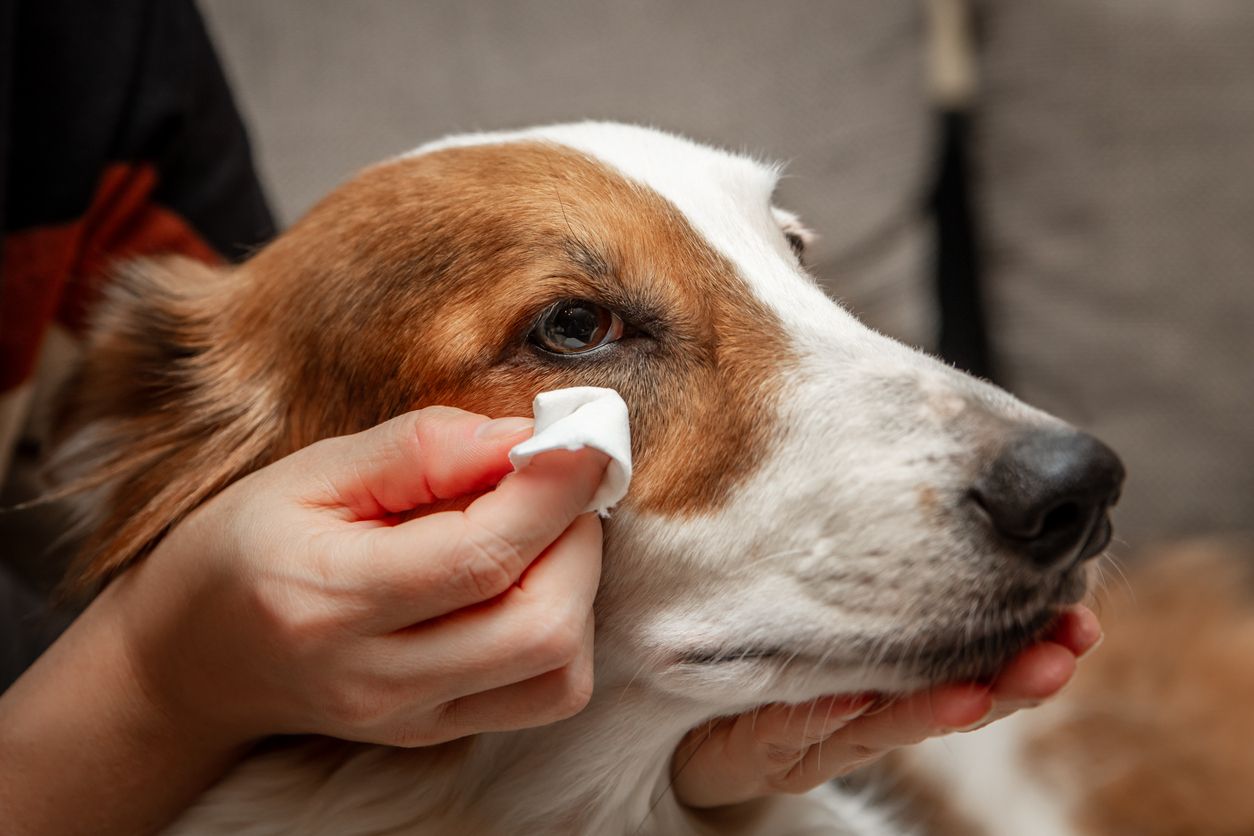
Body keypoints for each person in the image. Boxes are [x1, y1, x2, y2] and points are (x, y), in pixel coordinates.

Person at [0, 2, 1101, 833]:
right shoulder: (181, 418)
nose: (1031, 462)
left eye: (787, 256)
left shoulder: (106, 59)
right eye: (574, 326)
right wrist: (163, 668)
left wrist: (697, 761)